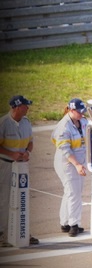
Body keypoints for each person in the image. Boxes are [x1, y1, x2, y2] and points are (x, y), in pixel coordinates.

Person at [51, 98, 92, 237]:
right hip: (67, 163)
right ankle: (74, 224)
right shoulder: (64, 127)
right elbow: (65, 150)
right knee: (74, 193)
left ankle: (65, 222)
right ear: (71, 110)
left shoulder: (82, 122)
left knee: (70, 192)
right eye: (79, 112)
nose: (82, 115)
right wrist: (76, 165)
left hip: (78, 162)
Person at [0, 95, 39, 246]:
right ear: (17, 107)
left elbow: (30, 142)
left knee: (23, 198)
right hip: (6, 165)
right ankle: (3, 234)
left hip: (22, 165)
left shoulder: (26, 122)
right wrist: (12, 154)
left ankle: (23, 232)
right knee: (5, 200)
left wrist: (28, 152)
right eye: (25, 105)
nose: (28, 108)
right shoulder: (3, 123)